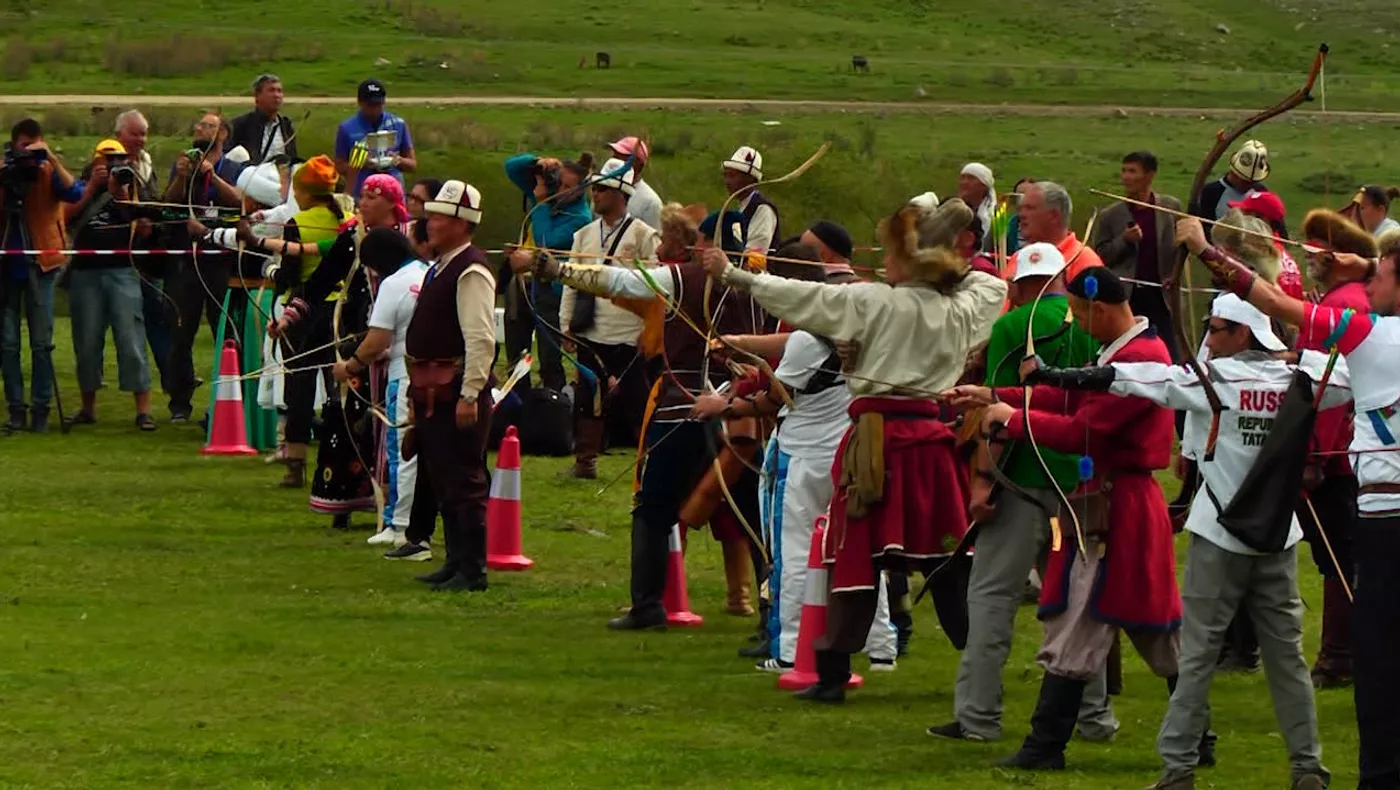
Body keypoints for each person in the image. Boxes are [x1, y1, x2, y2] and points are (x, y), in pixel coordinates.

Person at [700, 196, 1006, 701]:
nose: (883, 265)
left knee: (853, 556)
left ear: (909, 261)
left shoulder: (874, 301)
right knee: (946, 564)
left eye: (892, 256)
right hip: (928, 447)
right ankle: (981, 671)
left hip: (876, 445)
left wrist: (734, 274)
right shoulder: (959, 306)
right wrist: (946, 268)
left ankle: (833, 675)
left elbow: (804, 297)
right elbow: (993, 286)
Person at [1028, 293, 1338, 790]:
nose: (1206, 338)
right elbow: (1347, 373)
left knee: (1196, 657)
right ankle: (1307, 768)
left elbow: (1142, 380)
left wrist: (1055, 375)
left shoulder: (1213, 380)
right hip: (1279, 537)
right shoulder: (1299, 380)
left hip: (1219, 536)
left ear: (1242, 333)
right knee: (1288, 660)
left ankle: (1178, 769)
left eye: (1216, 329)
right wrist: (1291, 355)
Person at [1179, 217, 1400, 790]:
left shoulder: (1368, 334)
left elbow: (1273, 301)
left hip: (1386, 521)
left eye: (1381, 274)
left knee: (1380, 656)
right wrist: (1369, 264)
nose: (1369, 283)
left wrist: (1204, 250)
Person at [945, 267, 1182, 771]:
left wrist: (1011, 419)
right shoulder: (1121, 353)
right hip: (1108, 502)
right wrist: (995, 396)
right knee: (1116, 621)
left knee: (1134, 624)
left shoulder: (1141, 359)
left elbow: (1082, 430)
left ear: (1099, 308)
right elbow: (1070, 397)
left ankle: (1047, 746)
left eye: (1078, 313)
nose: (1076, 322)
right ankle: (1186, 736)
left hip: (1122, 506)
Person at [512, 203, 765, 630]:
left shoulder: (684, 277)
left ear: (705, 244)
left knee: (654, 508)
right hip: (743, 412)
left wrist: (552, 268)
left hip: (685, 408)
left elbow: (620, 279)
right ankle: (772, 616)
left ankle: (648, 607)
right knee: (753, 516)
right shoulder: (762, 286)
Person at [927, 242, 1110, 744]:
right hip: (1077, 486)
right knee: (1076, 605)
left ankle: (978, 716)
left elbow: (996, 420)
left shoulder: (1012, 325)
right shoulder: (1091, 325)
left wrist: (983, 481)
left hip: (1022, 482)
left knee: (991, 599)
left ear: (1021, 284)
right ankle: (1094, 718)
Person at [692, 241, 898, 673]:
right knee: (858, 550)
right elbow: (795, 344)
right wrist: (741, 345)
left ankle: (791, 650)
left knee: (795, 554)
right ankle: (881, 648)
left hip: (804, 459)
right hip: (850, 453)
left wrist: (721, 406)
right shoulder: (853, 324)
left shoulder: (808, 339)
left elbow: (772, 399)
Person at [1293, 209, 1378, 689]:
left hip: (1332, 456)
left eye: (1316, 245)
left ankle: (1338, 655)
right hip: (1338, 451)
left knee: (1337, 557)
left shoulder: (1344, 306)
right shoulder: (1342, 300)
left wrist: (1312, 454)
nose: (1308, 254)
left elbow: (1326, 390)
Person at [228, 156, 349, 488]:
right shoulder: (347, 218)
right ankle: (342, 459)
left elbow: (290, 276)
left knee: (299, 389)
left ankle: (296, 465)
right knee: (340, 388)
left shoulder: (298, 222)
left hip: (305, 312)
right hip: (340, 311)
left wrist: (269, 269)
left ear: (305, 192)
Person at [403, 180, 496, 592]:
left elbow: (480, 338)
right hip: (432, 390)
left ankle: (472, 568)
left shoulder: (470, 270)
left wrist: (470, 393)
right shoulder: (443, 267)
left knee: (464, 480)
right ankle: (456, 560)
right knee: (444, 478)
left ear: (461, 223)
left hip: (454, 389)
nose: (431, 223)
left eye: (440, 217)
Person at [557, 158, 659, 479]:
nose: (595, 195)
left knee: (637, 401)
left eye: (602, 189)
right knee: (588, 398)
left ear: (620, 194)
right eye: (595, 189)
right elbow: (570, 281)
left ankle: (650, 464)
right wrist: (565, 324)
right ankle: (585, 461)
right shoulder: (583, 235)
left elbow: (656, 287)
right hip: (591, 330)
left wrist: (649, 328)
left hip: (629, 331)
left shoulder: (644, 236)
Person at [332, 228, 427, 549]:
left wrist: (349, 367)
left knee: (402, 451)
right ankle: (407, 521)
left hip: (405, 375)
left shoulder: (394, 283)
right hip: (429, 374)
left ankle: (400, 525)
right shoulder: (428, 272)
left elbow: (377, 341)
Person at [61, 139, 157, 430]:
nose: (115, 165)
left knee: (131, 338)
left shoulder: (131, 184)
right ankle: (87, 408)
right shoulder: (80, 185)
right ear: (96, 161)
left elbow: (145, 227)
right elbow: (64, 216)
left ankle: (143, 411)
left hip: (122, 269)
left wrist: (122, 195)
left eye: (119, 159)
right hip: (85, 272)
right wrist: (92, 187)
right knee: (86, 340)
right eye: (108, 159)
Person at [0, 118, 85, 434]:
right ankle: (16, 409)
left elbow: (74, 193)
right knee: (8, 343)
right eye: (24, 146)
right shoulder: (4, 171)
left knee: (41, 342)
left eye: (34, 145)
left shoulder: (48, 170)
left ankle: (41, 409)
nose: (28, 152)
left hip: (42, 264)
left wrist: (51, 158)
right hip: (7, 268)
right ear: (13, 145)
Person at [162, 111, 246, 423]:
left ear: (223, 134)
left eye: (208, 126)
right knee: (179, 333)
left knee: (225, 332)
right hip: (187, 261)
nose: (200, 129)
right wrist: (183, 177)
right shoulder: (183, 164)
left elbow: (239, 202)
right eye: (199, 125)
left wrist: (214, 176)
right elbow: (168, 202)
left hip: (221, 263)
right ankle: (179, 402)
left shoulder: (234, 167)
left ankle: (228, 398)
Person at [503, 151, 593, 393]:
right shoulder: (548, 194)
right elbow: (511, 168)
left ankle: (552, 404)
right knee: (515, 354)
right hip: (522, 285)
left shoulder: (580, 218)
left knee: (549, 358)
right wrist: (538, 163)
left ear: (581, 190)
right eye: (559, 182)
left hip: (550, 292)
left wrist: (541, 201)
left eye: (568, 187)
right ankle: (517, 403)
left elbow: (546, 240)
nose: (560, 190)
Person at [1092, 151, 1183, 359]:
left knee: (1169, 353)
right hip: (1127, 298)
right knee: (1126, 352)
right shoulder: (1110, 215)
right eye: (1124, 171)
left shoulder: (1170, 208)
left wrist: (1175, 275)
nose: (1126, 177)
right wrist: (1124, 240)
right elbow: (1100, 256)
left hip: (1162, 297)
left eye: (1132, 171)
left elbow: (1182, 249)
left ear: (1150, 175)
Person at [113, 109, 171, 385]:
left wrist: (153, 223)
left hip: (147, 257)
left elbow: (154, 202)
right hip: (117, 258)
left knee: (157, 317)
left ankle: (172, 377)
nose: (140, 139)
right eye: (134, 134)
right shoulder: (109, 163)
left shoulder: (147, 164)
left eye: (144, 134)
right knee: (127, 325)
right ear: (119, 134)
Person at [1003, 181, 1104, 288]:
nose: (1021, 215)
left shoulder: (1083, 261)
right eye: (1020, 209)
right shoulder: (1019, 256)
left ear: (1054, 215)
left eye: (1030, 208)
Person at [334, 79, 416, 199]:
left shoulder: (398, 124)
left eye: (378, 104)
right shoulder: (346, 128)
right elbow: (339, 166)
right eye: (370, 105)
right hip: (361, 195)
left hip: (393, 196)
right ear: (360, 102)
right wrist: (359, 163)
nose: (375, 109)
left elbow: (412, 164)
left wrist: (398, 160)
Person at [1229, 190, 1306, 300]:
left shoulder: (1259, 253)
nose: (1239, 220)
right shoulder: (1278, 249)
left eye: (1245, 214)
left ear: (1259, 220)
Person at [722, 146, 780, 258]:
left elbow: (754, 258)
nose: (727, 181)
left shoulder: (762, 210)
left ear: (751, 179)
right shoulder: (743, 208)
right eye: (726, 175)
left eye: (733, 176)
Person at [228, 73, 298, 165]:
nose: (276, 95)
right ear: (257, 96)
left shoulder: (286, 126)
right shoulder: (241, 125)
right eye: (271, 90)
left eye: (279, 91)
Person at [1196, 140, 1269, 221]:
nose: (1250, 186)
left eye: (1254, 182)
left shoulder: (1261, 191)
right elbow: (1204, 225)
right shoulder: (1211, 192)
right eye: (1245, 182)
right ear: (1234, 173)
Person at [607, 137, 662, 230]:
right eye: (613, 156)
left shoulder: (650, 203)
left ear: (637, 163)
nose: (613, 161)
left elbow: (654, 237)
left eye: (618, 157)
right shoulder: (602, 192)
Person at [959, 162, 997, 253]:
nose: (964, 182)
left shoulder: (995, 215)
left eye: (971, 178)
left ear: (984, 185)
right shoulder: (954, 210)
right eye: (962, 178)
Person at [406, 178, 442, 261]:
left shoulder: (438, 238)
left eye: (417, 199)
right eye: (410, 197)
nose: (411, 202)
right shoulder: (407, 227)